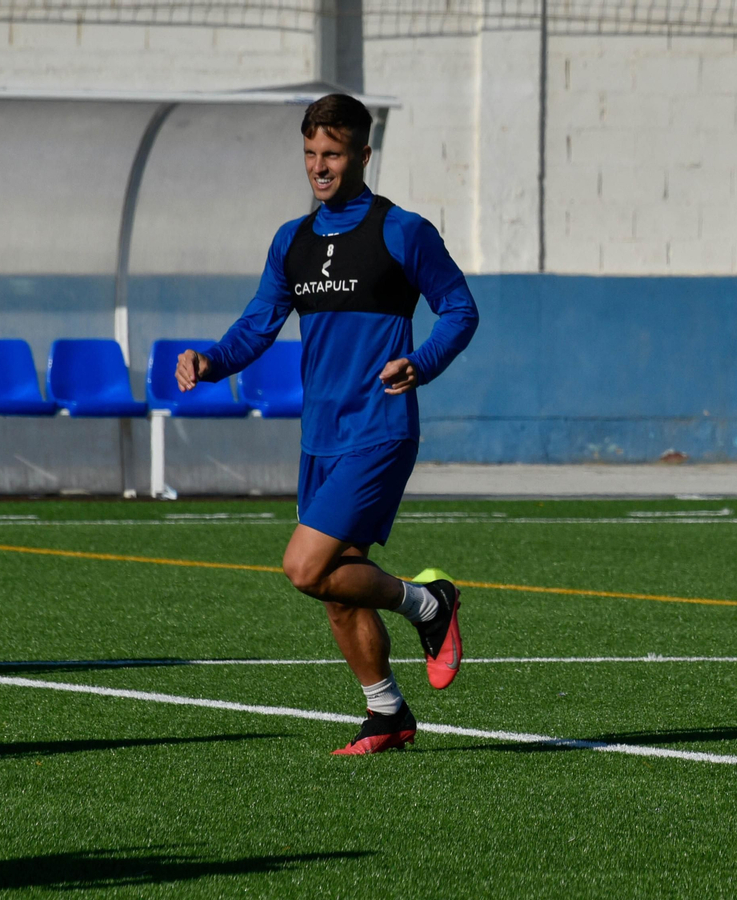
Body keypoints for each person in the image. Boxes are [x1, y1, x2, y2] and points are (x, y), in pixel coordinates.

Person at [175, 93, 479, 756]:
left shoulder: (402, 231)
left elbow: (459, 310)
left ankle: (431, 605)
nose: (320, 166)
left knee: (304, 566)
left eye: (333, 154)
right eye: (311, 153)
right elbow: (258, 325)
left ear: (363, 156)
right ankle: (387, 716)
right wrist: (211, 359)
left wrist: (420, 363)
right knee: (340, 585)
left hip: (380, 424)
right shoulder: (293, 241)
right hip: (320, 435)